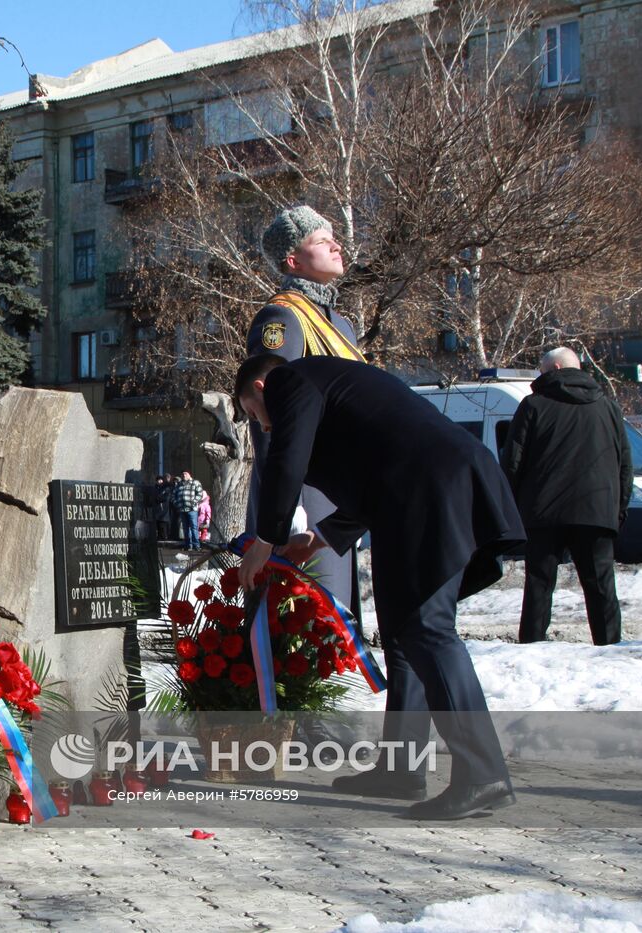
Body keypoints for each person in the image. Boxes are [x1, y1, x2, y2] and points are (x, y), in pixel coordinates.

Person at [235, 353, 525, 820]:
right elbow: (378, 465)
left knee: (428, 631)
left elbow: (288, 460)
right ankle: (401, 768)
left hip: (429, 490)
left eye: (254, 415)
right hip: (420, 490)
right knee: (404, 633)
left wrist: (265, 539)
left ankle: (482, 773)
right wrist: (318, 538)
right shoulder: (330, 389)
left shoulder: (291, 380)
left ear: (263, 388)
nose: (263, 428)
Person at [248, 205, 390, 786]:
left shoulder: (341, 322)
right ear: (291, 257)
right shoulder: (284, 316)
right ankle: (307, 726)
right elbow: (266, 399)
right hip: (308, 488)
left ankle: (325, 718)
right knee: (312, 602)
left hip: (341, 486)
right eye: (322, 239)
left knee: (337, 605)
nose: (337, 246)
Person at [501, 347, 633, 646]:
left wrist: (510, 507)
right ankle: (610, 646)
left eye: (542, 370)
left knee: (539, 584)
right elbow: (624, 464)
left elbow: (513, 462)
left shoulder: (533, 406)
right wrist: (618, 510)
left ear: (556, 368)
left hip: (543, 513)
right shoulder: (608, 407)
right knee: (601, 586)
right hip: (597, 511)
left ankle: (532, 646)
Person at [173, 470, 206, 549]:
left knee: (194, 527)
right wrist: (176, 503)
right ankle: (188, 545)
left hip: (192, 510)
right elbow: (173, 495)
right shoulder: (179, 485)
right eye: (183, 474)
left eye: (185, 474)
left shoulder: (195, 483)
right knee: (185, 528)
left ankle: (196, 545)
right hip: (182, 510)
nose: (184, 475)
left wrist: (194, 502)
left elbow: (200, 494)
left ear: (189, 474)